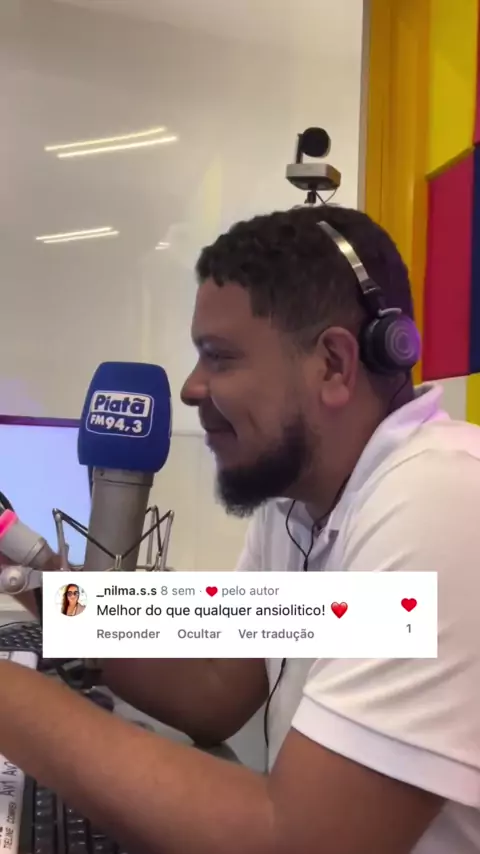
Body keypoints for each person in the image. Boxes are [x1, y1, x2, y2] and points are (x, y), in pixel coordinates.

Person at [2, 204, 480, 854]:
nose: (191, 388)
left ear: (334, 365)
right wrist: (28, 578)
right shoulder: (298, 503)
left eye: (219, 358)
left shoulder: (442, 500)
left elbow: (299, 839)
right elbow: (216, 688)